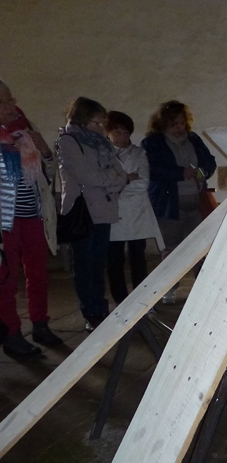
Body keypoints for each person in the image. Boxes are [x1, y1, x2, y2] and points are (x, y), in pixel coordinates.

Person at [0, 78, 62, 358]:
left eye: (11, 100)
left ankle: (40, 324)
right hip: (5, 221)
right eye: (2, 102)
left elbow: (47, 171)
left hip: (33, 213)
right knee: (6, 278)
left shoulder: (26, 128)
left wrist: (45, 150)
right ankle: (11, 334)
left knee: (37, 272)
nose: (10, 106)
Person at [56, 97, 130, 331]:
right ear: (82, 119)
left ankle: (101, 308)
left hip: (103, 208)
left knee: (98, 263)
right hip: (83, 210)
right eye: (96, 123)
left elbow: (122, 174)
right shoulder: (68, 141)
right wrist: (112, 180)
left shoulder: (103, 142)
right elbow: (87, 176)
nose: (100, 128)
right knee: (84, 264)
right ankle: (90, 311)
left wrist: (111, 179)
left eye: (101, 123)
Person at [142, 100, 216, 304]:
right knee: (172, 248)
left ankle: (204, 289)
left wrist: (203, 171)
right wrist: (180, 173)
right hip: (169, 202)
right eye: (174, 124)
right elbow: (152, 168)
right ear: (164, 124)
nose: (179, 128)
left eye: (182, 123)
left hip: (195, 200)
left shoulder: (193, 139)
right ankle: (168, 288)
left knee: (200, 247)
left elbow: (209, 161)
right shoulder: (153, 143)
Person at [105, 111, 164, 304]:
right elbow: (101, 183)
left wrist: (116, 184)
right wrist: (126, 179)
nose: (122, 137)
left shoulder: (139, 154)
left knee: (138, 257)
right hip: (112, 212)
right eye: (117, 132)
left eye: (125, 132)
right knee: (114, 259)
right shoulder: (103, 154)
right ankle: (120, 300)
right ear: (108, 133)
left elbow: (143, 183)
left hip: (136, 212)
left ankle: (141, 300)